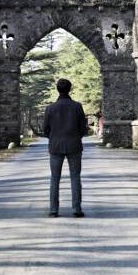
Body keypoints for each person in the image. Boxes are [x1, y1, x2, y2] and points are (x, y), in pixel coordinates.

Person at [42, 78, 89, 218]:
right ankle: (76, 209)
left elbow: (45, 129)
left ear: (57, 89)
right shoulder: (77, 106)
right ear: (70, 89)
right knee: (75, 177)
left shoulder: (50, 108)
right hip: (74, 144)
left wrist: (53, 137)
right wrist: (76, 136)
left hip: (55, 146)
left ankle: (53, 210)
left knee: (54, 178)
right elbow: (83, 128)